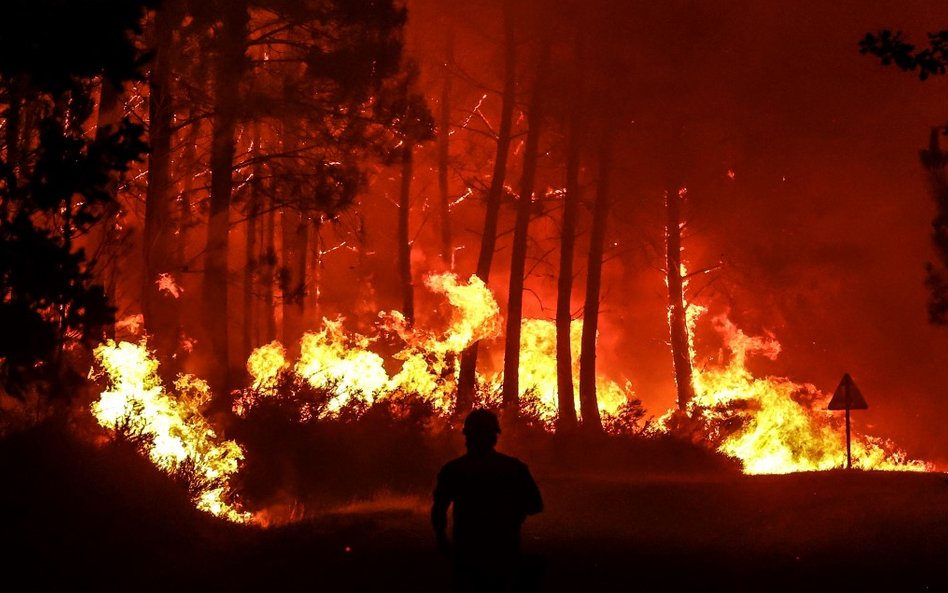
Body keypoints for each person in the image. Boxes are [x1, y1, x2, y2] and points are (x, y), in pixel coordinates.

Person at [431, 408, 543, 592]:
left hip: (466, 550)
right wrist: (513, 516)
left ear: (467, 437)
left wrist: (442, 540)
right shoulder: (514, 468)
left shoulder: (454, 470)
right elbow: (535, 505)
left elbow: (439, 509)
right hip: (504, 550)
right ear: (494, 437)